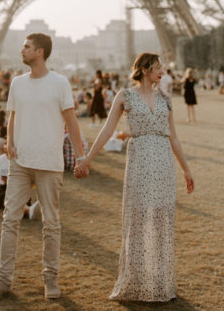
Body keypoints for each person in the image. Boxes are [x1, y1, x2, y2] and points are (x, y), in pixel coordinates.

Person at [75, 52, 194, 302]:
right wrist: (88, 158)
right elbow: (108, 130)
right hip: (139, 160)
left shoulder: (166, 98)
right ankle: (137, 282)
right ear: (145, 69)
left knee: (161, 218)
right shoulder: (125, 95)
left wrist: (186, 169)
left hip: (162, 161)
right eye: (158, 67)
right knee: (138, 218)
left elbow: (173, 136)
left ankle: (159, 283)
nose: (162, 72)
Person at [0, 32, 87, 301]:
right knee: (9, 221)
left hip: (49, 163)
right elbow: (12, 117)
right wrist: (9, 143)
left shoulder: (59, 83)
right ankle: (3, 280)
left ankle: (50, 279)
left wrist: (80, 156)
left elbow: (71, 123)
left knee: (51, 224)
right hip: (20, 162)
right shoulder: (17, 83)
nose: (22, 50)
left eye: (27, 47)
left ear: (39, 52)